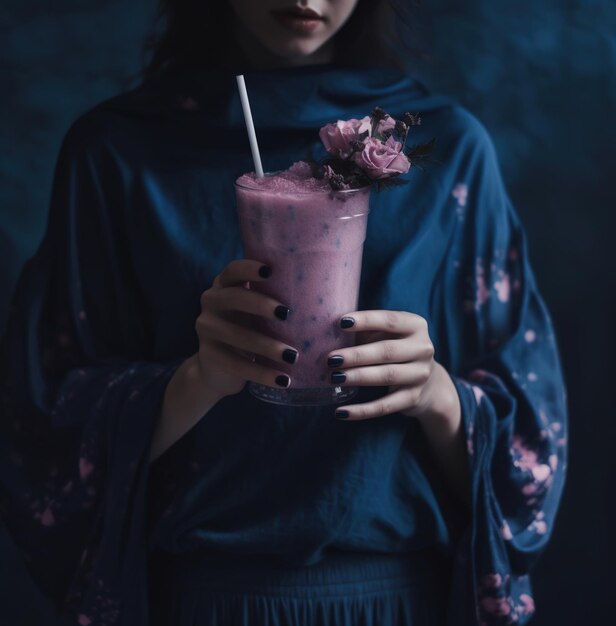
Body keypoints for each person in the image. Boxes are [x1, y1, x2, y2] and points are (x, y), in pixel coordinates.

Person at [0, 1, 568, 625]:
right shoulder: (116, 152)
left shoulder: (451, 149)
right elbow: (40, 432)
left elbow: (528, 456)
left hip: (393, 602)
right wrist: (196, 381)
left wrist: (436, 395)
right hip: (196, 602)